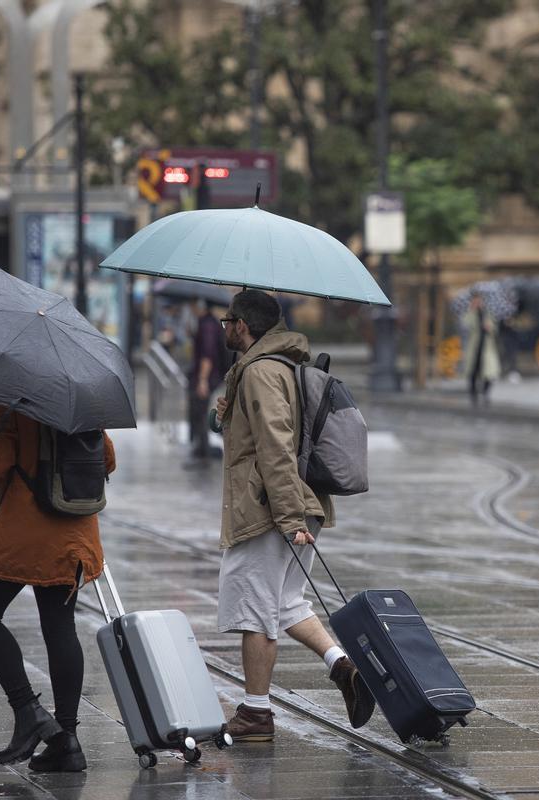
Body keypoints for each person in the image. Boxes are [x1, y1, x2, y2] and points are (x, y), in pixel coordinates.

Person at [212, 289, 374, 741]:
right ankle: (344, 668)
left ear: (242, 326)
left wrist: (289, 518)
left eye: (228, 320)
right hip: (293, 506)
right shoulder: (273, 366)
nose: (223, 327)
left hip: (271, 510)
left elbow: (276, 447)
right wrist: (224, 416)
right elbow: (260, 434)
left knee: (255, 610)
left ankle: (256, 714)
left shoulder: (262, 371)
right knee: (285, 604)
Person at [0, 402, 116, 772]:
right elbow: (107, 459)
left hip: (25, 529)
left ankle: (27, 709)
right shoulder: (79, 400)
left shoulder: (10, 396)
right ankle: (67, 740)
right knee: (60, 626)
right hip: (74, 530)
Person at [186, 299, 227, 465]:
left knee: (201, 412)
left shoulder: (207, 326)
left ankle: (204, 450)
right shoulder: (206, 323)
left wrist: (202, 380)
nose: (191, 308)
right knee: (199, 412)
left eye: (193, 304)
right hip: (208, 375)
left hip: (207, 376)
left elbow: (207, 355)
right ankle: (201, 448)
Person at [462, 292, 501, 407]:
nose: (477, 303)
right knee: (473, 372)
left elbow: (495, 329)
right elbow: (465, 326)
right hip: (474, 347)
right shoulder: (470, 314)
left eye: (479, 301)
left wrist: (490, 327)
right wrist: (471, 312)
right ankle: (473, 394)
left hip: (487, 347)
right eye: (475, 301)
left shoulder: (488, 314)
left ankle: (485, 393)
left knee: (489, 372)